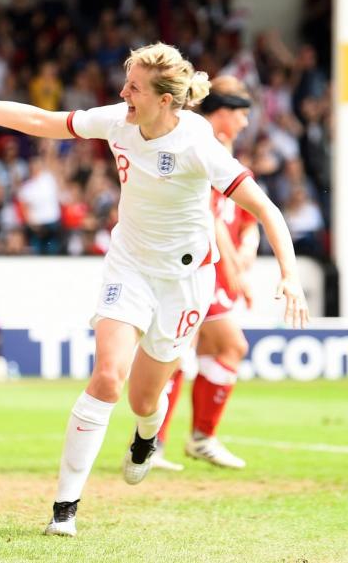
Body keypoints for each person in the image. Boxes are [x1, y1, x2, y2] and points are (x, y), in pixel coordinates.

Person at [0, 42, 309, 537]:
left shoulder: (198, 144)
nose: (123, 93)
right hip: (128, 268)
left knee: (145, 400)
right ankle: (65, 509)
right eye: (126, 83)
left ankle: (147, 435)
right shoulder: (119, 120)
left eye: (134, 87)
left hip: (185, 283)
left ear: (165, 99)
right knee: (107, 377)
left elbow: (267, 210)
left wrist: (290, 277)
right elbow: (42, 121)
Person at [151, 76, 260, 472]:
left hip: (211, 266)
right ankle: (194, 437)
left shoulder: (227, 153)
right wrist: (235, 272)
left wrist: (247, 247)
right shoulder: (201, 148)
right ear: (222, 112)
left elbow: (245, 217)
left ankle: (155, 442)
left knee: (180, 353)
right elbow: (209, 219)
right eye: (241, 113)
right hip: (200, 263)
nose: (246, 123)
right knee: (230, 347)